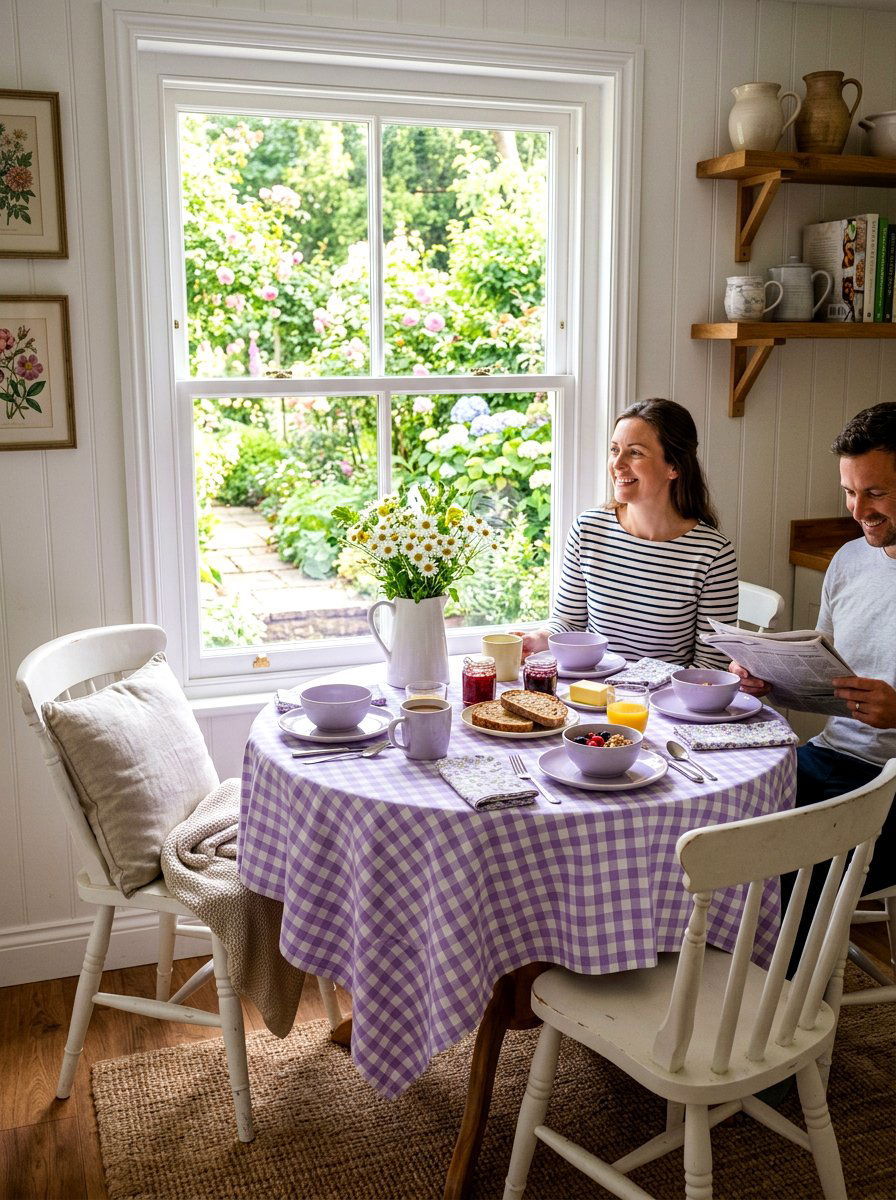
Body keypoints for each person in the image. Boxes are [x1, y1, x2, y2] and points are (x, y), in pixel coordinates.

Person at [732, 400, 896, 902]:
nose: (858, 509)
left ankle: (778, 981)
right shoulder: (850, 560)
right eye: (848, 491)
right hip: (832, 758)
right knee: (719, 827)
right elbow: (828, 678)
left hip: (891, 790)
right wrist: (767, 677)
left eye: (876, 493)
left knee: (777, 876)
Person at [516, 398, 738, 668]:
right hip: (592, 696)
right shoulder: (588, 530)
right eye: (614, 450)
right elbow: (569, 621)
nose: (617, 464)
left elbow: (710, 666)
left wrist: (639, 693)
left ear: (674, 467)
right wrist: (538, 639)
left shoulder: (713, 553)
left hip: (661, 705)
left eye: (635, 453)